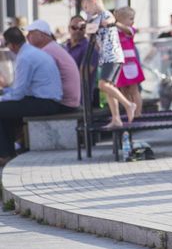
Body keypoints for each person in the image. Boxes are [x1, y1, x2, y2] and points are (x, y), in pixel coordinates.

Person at [0, 27, 63, 164]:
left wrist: (2, 98)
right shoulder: (32, 52)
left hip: (45, 103)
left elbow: (18, 94)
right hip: (48, 101)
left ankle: (5, 154)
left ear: (12, 45)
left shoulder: (24, 58)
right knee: (5, 112)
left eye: (6, 44)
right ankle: (8, 153)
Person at [82, 0, 136, 128]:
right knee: (109, 88)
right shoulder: (94, 19)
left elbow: (110, 19)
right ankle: (116, 118)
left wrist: (108, 23)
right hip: (105, 57)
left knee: (103, 85)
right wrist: (86, 28)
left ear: (94, 1)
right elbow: (90, 33)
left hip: (112, 56)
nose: (86, 10)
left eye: (86, 7)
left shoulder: (105, 14)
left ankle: (128, 104)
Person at [26, 20, 80, 113]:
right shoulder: (52, 48)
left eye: (31, 33)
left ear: (42, 35)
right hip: (67, 101)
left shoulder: (47, 51)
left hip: (62, 103)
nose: (27, 36)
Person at [114, 7, 145, 117]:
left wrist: (115, 23)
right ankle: (130, 110)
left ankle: (138, 112)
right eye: (130, 19)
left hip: (130, 64)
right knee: (123, 89)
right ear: (121, 19)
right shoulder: (115, 31)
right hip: (120, 64)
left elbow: (127, 30)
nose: (133, 21)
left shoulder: (130, 30)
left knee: (134, 89)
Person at [63, 15, 100, 107]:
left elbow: (83, 75)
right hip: (65, 96)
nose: (77, 31)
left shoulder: (90, 49)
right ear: (68, 28)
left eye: (81, 28)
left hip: (81, 100)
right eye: (74, 27)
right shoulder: (64, 48)